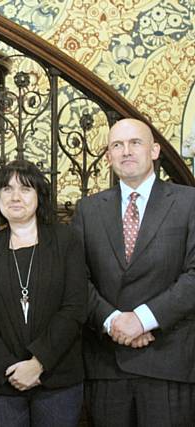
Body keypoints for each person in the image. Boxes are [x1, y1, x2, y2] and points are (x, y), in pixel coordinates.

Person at [72, 118, 195, 426]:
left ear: (154, 150)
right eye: (117, 145)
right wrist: (114, 321)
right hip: (106, 365)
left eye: (135, 143)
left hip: (169, 362)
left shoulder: (188, 202)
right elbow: (75, 278)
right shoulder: (88, 209)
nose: (126, 151)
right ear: (108, 157)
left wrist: (142, 319)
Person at [0, 159, 87, 427]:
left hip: (58, 378)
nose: (15, 197)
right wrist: (10, 368)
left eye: (25, 189)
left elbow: (75, 307)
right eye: (7, 189)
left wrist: (38, 362)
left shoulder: (66, 241)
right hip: (1, 383)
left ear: (39, 196)